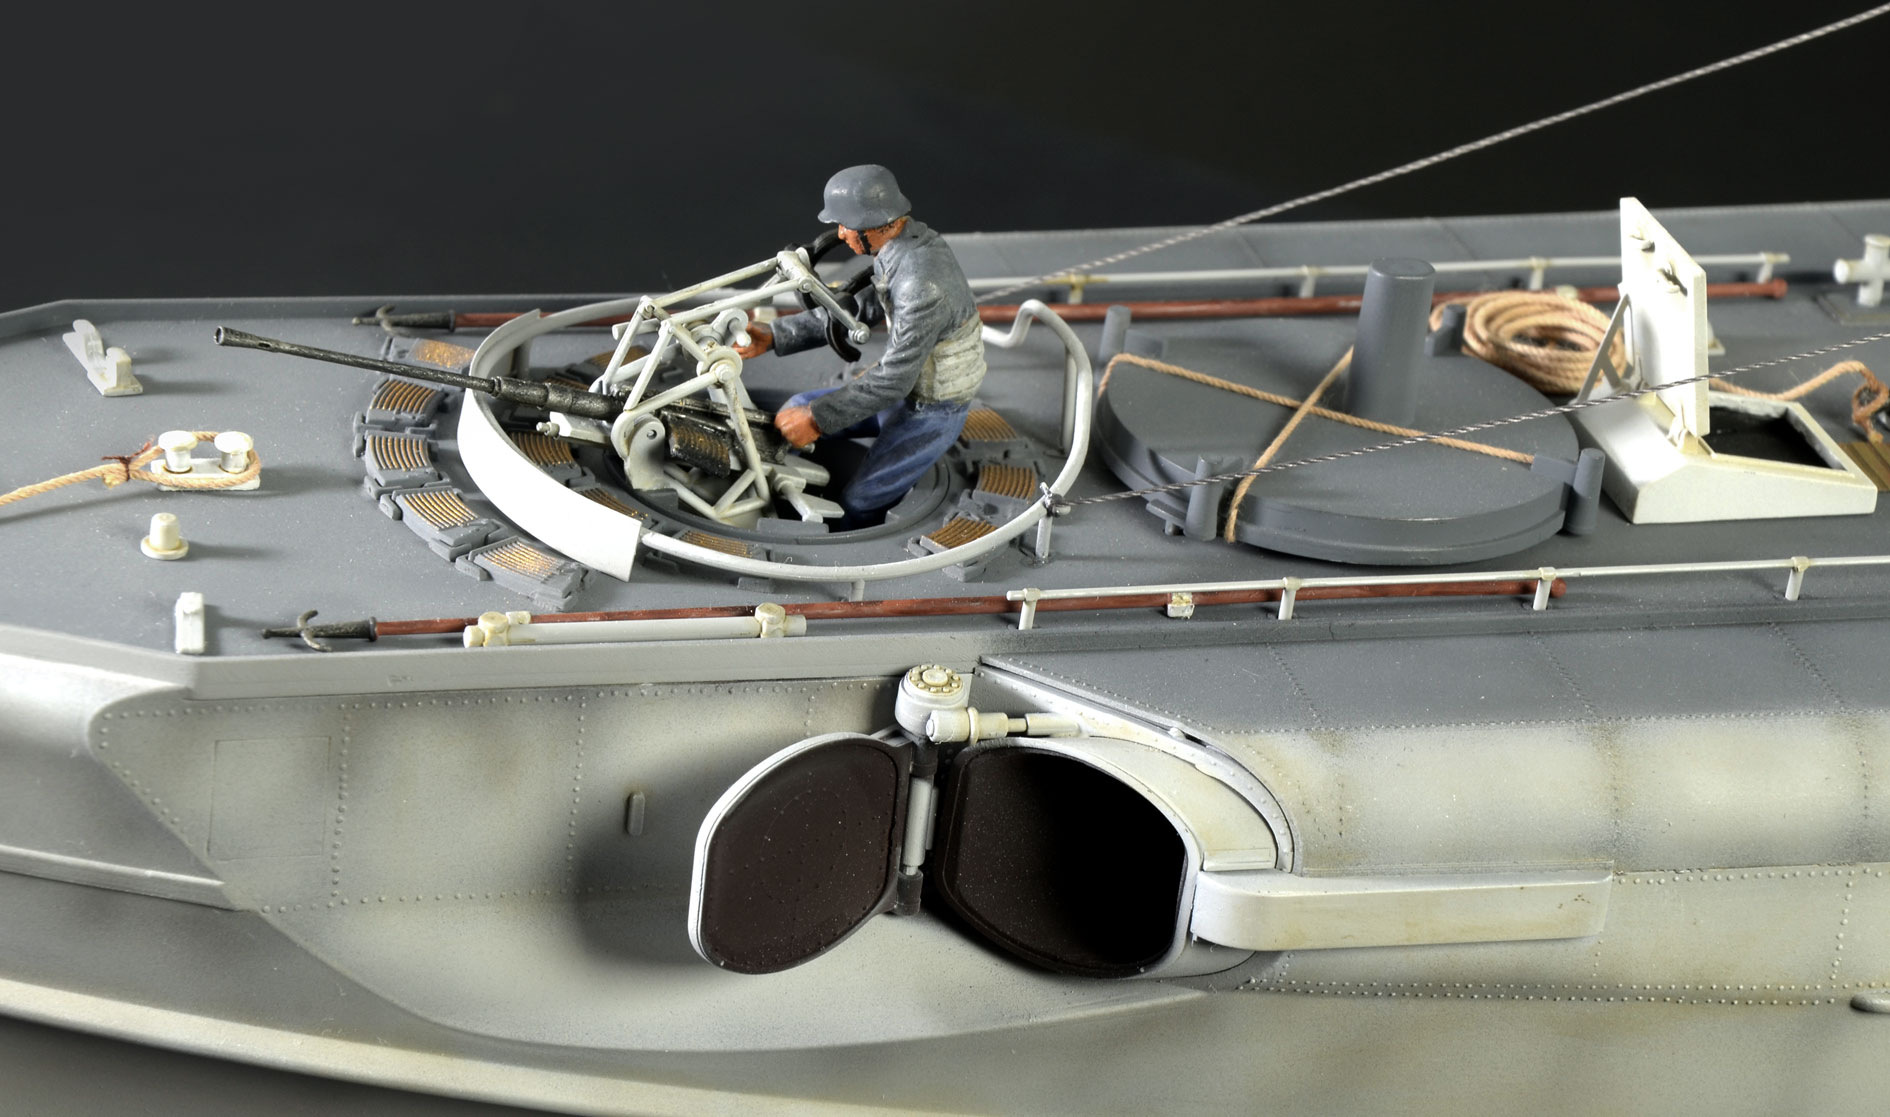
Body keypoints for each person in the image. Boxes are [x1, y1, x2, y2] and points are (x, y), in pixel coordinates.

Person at [738, 165, 985, 529]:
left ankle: (836, 541)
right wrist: (776, 335)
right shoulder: (901, 247)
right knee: (795, 407)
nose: (840, 234)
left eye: (847, 226)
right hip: (904, 389)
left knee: (861, 500)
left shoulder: (921, 283)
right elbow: (856, 310)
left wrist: (817, 419)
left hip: (932, 409)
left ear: (880, 225)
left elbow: (895, 380)